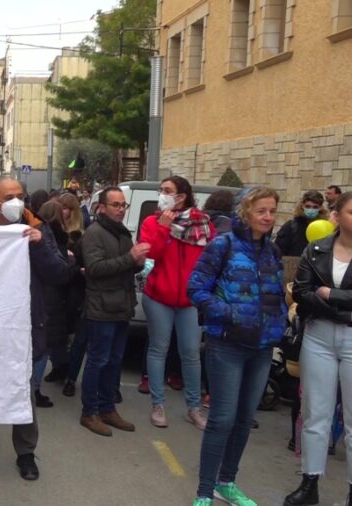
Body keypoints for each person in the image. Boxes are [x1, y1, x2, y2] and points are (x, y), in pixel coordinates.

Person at [0, 175, 68, 481]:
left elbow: (60, 273)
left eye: (20, 195)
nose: (17, 202)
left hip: (23, 326)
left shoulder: (37, 229)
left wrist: (40, 244)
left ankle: (26, 454)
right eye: (9, 197)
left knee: (22, 392)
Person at [187, 187, 286, 506]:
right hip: (227, 344)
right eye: (261, 211)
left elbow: (277, 295)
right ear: (245, 211)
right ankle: (204, 490)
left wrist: (279, 322)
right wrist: (228, 313)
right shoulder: (223, 245)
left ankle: (226, 482)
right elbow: (196, 288)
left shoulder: (273, 252)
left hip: (261, 347)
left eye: (272, 211)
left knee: (244, 419)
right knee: (222, 418)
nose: (268, 217)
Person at [285, 191, 352, 506]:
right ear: (337, 216)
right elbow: (301, 291)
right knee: (316, 414)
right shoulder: (316, 249)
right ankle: (309, 484)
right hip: (319, 335)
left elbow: (318, 292)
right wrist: (338, 308)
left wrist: (331, 296)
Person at [140, 176, 213, 430]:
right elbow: (153, 253)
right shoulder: (152, 221)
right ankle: (157, 405)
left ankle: (193, 408)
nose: (162, 194)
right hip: (159, 296)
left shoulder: (202, 223)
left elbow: (210, 258)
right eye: (161, 190)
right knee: (158, 350)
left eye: (167, 191)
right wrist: (162, 226)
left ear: (181, 196)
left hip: (189, 300)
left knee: (191, 353)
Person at [79, 186, 147, 437]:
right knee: (98, 360)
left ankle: (107, 408)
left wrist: (137, 264)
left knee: (115, 361)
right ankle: (89, 412)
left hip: (122, 306)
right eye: (116, 205)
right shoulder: (94, 233)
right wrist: (131, 258)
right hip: (102, 308)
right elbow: (95, 269)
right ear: (102, 207)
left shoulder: (121, 233)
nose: (120, 209)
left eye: (123, 205)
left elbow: (124, 268)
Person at [37, 200, 82, 405]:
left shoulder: (41, 233)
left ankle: (52, 372)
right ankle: (36, 388)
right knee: (45, 343)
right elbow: (60, 271)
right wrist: (74, 265)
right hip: (52, 295)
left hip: (46, 294)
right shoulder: (56, 237)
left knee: (45, 340)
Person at [276, 190, 328, 257]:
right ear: (302, 205)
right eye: (308, 206)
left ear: (320, 208)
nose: (311, 210)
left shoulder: (324, 228)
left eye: (315, 207)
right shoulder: (290, 226)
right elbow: (278, 251)